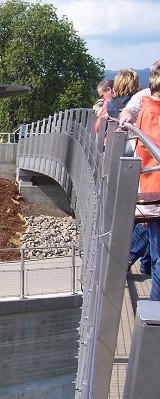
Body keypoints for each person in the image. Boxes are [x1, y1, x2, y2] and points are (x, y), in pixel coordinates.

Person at [134, 60, 160, 300]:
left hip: (152, 187)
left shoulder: (147, 108)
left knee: (156, 248)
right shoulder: (152, 112)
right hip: (156, 189)